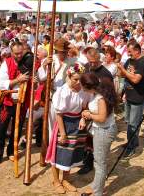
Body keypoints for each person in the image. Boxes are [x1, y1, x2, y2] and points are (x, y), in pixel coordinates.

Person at [45, 63, 92, 194]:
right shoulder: (63, 91)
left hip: (77, 124)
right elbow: (59, 114)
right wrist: (63, 133)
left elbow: (84, 107)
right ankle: (56, 180)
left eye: (80, 79)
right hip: (64, 123)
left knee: (71, 153)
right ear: (69, 76)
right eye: (75, 79)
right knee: (59, 153)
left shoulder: (82, 90)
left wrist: (83, 117)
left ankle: (65, 179)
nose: (78, 82)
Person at [0, 42, 31, 167]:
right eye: (16, 53)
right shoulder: (7, 63)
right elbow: (1, 84)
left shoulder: (28, 61)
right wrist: (18, 80)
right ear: (11, 52)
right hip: (8, 102)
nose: (19, 56)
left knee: (17, 129)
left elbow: (37, 75)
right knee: (0, 129)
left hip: (22, 102)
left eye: (21, 53)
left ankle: (11, 151)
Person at [80, 73, 118, 196]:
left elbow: (101, 118)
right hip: (101, 130)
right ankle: (96, 187)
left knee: (100, 163)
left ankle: (97, 193)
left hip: (104, 131)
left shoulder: (100, 98)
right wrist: (87, 113)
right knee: (99, 161)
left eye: (82, 85)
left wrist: (89, 115)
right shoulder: (97, 93)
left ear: (87, 86)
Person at [117, 42, 144, 158]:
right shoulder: (130, 60)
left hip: (138, 97)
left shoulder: (143, 63)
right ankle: (131, 142)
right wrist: (120, 69)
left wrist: (123, 71)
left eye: (130, 51)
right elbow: (122, 75)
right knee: (129, 122)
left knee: (133, 124)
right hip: (129, 95)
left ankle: (132, 148)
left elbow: (136, 80)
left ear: (137, 50)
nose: (128, 53)